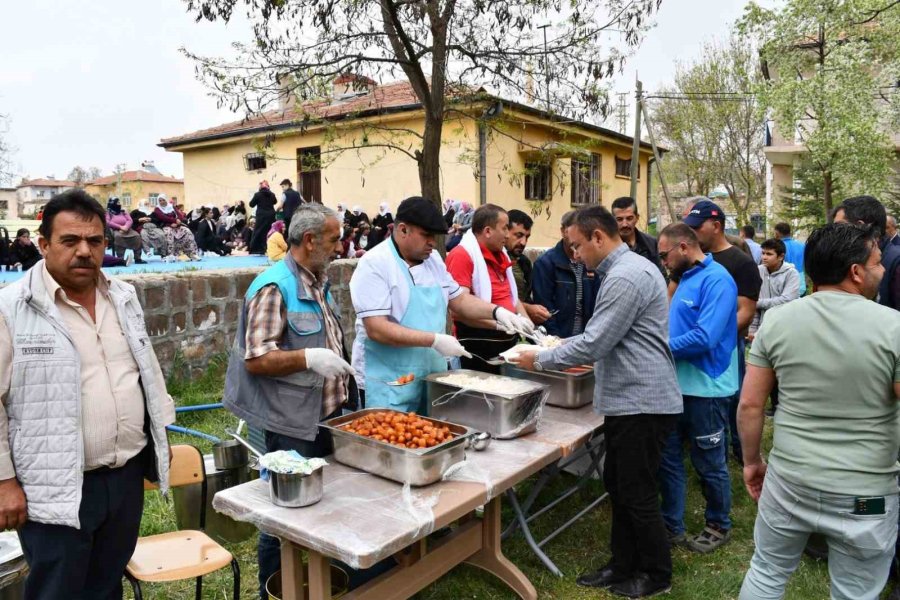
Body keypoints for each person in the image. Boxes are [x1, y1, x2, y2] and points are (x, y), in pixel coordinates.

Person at [0, 190, 175, 599]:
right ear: (43, 245)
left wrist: (160, 441)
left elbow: (144, 374)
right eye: (69, 241)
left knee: (105, 587)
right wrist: (4, 481)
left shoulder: (123, 297)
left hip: (123, 477)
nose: (84, 251)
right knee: (57, 590)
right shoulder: (12, 309)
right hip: (54, 485)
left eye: (95, 241)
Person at [511, 206, 682, 599]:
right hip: (631, 399)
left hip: (643, 401)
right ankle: (622, 564)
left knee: (636, 490)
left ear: (598, 238)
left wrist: (536, 358)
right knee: (619, 484)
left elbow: (595, 342)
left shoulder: (625, 276)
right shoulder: (625, 271)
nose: (575, 255)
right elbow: (598, 337)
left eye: (577, 246)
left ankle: (656, 573)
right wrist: (549, 346)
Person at [737, 222, 900, 600]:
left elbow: (750, 405)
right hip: (866, 497)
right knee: (855, 592)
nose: (884, 269)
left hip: (791, 482)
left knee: (766, 572)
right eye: (877, 262)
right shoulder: (894, 327)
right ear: (856, 272)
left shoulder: (777, 321)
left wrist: (751, 462)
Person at [223, 203, 358, 599]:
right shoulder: (274, 286)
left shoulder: (318, 280)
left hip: (326, 414)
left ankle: (321, 582)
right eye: (334, 239)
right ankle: (274, 590)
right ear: (310, 239)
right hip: (290, 422)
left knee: (322, 503)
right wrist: (308, 358)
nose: (340, 245)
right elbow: (257, 358)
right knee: (282, 516)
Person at [350, 197, 530, 412]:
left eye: (434, 237)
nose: (432, 243)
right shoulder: (375, 264)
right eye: (426, 235)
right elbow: (377, 328)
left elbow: (460, 300)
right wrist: (434, 340)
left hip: (430, 376)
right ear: (403, 230)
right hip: (389, 381)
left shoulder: (433, 260)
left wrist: (498, 312)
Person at [656, 223, 738, 554]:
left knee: (709, 462)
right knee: (670, 459)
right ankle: (670, 524)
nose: (662, 261)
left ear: (685, 248)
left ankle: (719, 523)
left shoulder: (718, 280)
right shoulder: (684, 279)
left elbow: (705, 337)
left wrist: (658, 347)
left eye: (665, 254)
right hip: (676, 387)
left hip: (708, 388)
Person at [682, 199, 761, 465]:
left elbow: (746, 311)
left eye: (696, 227)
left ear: (716, 226)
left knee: (733, 401)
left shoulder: (740, 263)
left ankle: (740, 452)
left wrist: (715, 337)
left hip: (726, 348)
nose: (691, 233)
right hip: (692, 343)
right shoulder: (690, 259)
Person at [446, 204, 536, 373]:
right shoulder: (462, 255)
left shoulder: (501, 254)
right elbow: (457, 309)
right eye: (505, 229)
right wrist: (498, 323)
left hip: (505, 345)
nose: (507, 235)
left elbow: (511, 297)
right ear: (487, 231)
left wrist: (527, 324)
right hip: (476, 346)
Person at [748, 238, 800, 417]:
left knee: (784, 367)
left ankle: (786, 405)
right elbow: (753, 305)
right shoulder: (758, 271)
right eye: (763, 253)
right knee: (766, 367)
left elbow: (788, 300)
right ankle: (773, 404)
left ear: (781, 256)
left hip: (786, 327)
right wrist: (753, 329)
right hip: (765, 327)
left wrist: (759, 303)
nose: (764, 257)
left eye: (769, 254)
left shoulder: (791, 274)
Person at [532, 210, 600, 338]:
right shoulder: (546, 263)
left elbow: (597, 303)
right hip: (558, 338)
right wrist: (555, 339)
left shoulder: (591, 262)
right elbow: (544, 307)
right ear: (563, 231)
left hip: (587, 339)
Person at [833, 195, 900, 312]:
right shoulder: (847, 258)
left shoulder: (896, 260)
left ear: (861, 225)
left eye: (840, 227)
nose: (833, 233)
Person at [505, 209, 551, 326]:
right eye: (519, 235)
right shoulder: (491, 260)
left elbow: (525, 297)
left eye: (527, 237)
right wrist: (527, 308)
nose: (523, 242)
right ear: (505, 232)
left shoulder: (524, 263)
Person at [611, 196, 666, 278]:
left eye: (629, 218)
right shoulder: (608, 247)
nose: (624, 224)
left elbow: (662, 276)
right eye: (619, 219)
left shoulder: (651, 244)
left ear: (637, 218)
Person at [152, 195, 199, 259]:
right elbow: (163, 218)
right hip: (166, 225)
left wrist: (177, 222)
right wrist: (174, 221)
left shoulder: (172, 207)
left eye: (163, 200)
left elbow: (180, 215)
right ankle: (171, 254)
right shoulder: (157, 209)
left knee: (187, 231)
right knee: (169, 233)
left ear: (166, 200)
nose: (162, 202)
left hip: (177, 225)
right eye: (160, 200)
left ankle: (192, 253)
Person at [106, 197, 145, 264]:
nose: (119, 204)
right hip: (116, 230)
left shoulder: (123, 212)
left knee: (137, 236)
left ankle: (138, 258)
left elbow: (130, 220)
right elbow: (108, 222)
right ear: (113, 203)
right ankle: (120, 259)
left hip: (128, 229)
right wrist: (120, 227)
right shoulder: (108, 213)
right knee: (118, 237)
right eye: (117, 203)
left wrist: (126, 227)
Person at [773, 222, 806, 295]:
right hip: (800, 282)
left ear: (777, 233)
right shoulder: (802, 246)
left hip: (784, 283)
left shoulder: (776, 247)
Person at [248, 180, 278, 255]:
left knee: (258, 231)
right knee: (270, 232)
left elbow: (251, 204)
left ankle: (256, 249)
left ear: (260, 187)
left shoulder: (257, 194)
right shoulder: (272, 194)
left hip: (261, 216)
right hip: (271, 215)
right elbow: (275, 202)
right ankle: (270, 248)